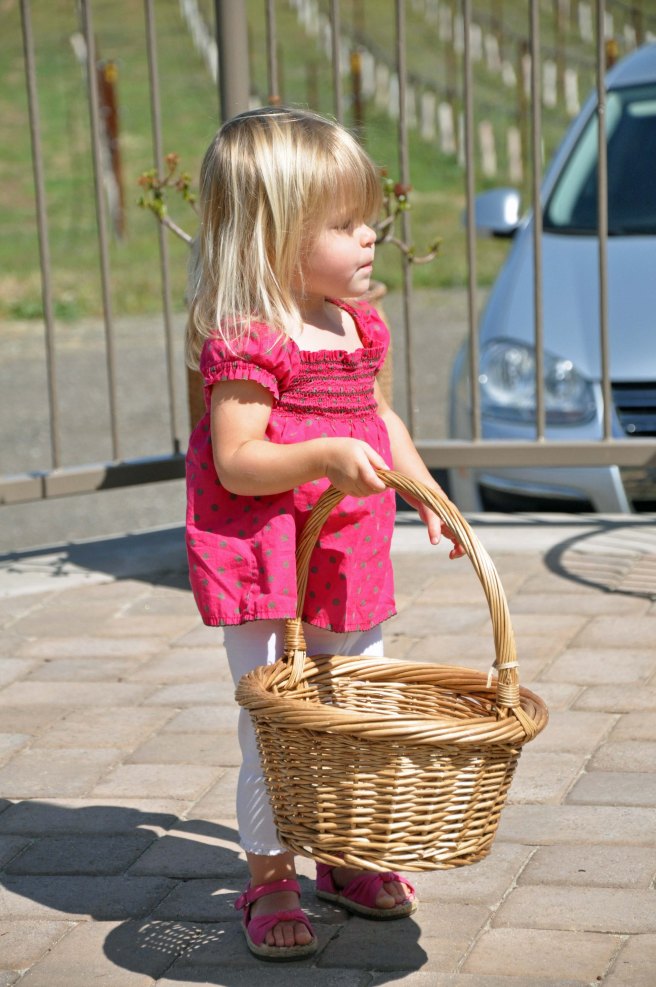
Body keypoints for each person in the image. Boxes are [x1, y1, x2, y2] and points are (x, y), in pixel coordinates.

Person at [185, 105, 464, 961]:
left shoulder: (354, 321)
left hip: (346, 549)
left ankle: (340, 854)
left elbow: (380, 416)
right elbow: (237, 460)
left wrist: (422, 487)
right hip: (268, 555)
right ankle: (269, 871)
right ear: (274, 238)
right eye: (343, 223)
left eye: (365, 216)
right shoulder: (252, 341)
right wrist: (321, 454)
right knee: (277, 720)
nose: (370, 235)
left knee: (349, 707)